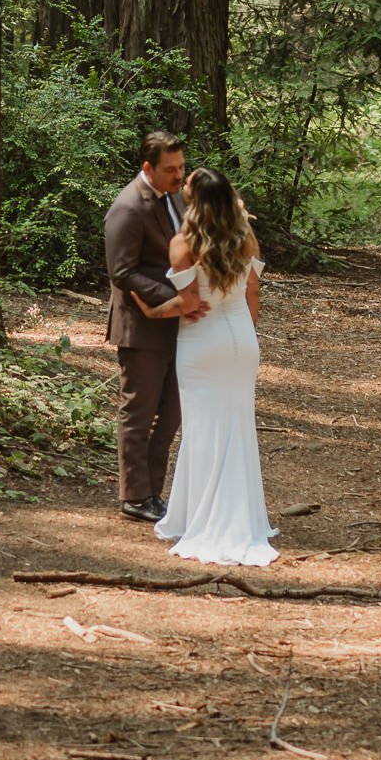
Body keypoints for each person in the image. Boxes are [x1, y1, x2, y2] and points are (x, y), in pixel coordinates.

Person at [134, 166, 278, 568]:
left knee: (201, 428)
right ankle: (241, 517)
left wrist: (150, 308)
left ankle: (205, 518)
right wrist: (244, 334)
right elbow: (252, 293)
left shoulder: (182, 244)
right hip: (240, 338)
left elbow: (189, 304)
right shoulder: (246, 238)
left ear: (193, 201)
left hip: (202, 342)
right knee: (237, 428)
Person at [103, 132, 203, 522]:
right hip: (141, 325)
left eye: (181, 167)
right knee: (139, 410)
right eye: (170, 169)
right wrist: (176, 295)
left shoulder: (174, 195)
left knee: (173, 409)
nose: (179, 175)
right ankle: (134, 496)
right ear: (148, 168)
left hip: (178, 324)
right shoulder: (128, 207)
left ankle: (154, 493)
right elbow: (122, 271)